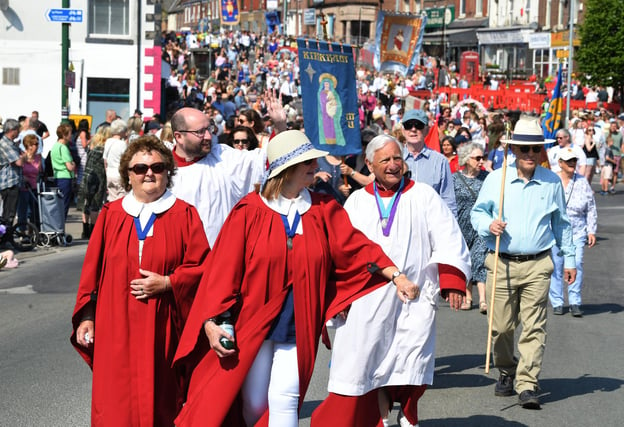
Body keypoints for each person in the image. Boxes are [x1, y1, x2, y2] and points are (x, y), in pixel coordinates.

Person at [172, 130, 418, 427]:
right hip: (253, 321)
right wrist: (211, 321)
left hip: (300, 318)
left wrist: (396, 276)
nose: (315, 166)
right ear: (287, 169)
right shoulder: (249, 211)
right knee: (254, 402)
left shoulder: (323, 209)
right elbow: (223, 272)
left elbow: (357, 246)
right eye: (307, 162)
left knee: (285, 397)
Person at [312, 134, 470, 427]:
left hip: (414, 296)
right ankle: (381, 417)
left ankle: (409, 413)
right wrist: (340, 298)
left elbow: (448, 236)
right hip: (367, 300)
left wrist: (451, 280)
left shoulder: (423, 196)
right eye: (386, 160)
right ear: (370, 165)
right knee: (371, 359)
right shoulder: (357, 202)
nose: (394, 165)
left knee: (411, 357)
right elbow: (341, 253)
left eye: (398, 158)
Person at [71, 136, 211, 427]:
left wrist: (170, 282)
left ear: (167, 172)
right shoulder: (111, 215)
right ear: (128, 175)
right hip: (114, 324)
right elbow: (91, 273)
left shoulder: (184, 214)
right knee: (115, 400)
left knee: (160, 397)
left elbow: (203, 268)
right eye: (140, 168)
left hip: (163, 325)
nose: (149, 173)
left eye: (158, 167)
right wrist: (87, 316)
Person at [471, 118, 576, 410]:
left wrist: (570, 258)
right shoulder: (496, 179)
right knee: (501, 327)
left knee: (534, 326)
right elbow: (477, 214)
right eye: (525, 148)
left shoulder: (552, 181)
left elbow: (562, 223)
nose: (530, 153)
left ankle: (528, 383)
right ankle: (507, 368)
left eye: (535, 148)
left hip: (538, 264)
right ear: (514, 149)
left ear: (541, 152)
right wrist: (488, 225)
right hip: (501, 263)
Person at [169, 107, 267, 247]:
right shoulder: (160, 171)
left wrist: (280, 125)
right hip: (182, 260)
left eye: (209, 128)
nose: (209, 136)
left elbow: (262, 161)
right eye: (200, 132)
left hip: (223, 257)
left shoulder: (222, 156)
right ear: (179, 137)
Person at [549, 148, 597, 317]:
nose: (572, 164)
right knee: (556, 266)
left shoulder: (582, 181)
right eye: (568, 161)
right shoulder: (552, 180)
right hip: (555, 231)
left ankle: (575, 301)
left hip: (577, 231)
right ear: (560, 162)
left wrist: (591, 230)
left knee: (576, 264)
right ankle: (557, 301)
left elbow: (591, 207)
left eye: (574, 160)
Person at [453, 142, 489, 313]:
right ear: (467, 159)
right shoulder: (454, 179)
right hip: (461, 225)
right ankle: (468, 296)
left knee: (479, 258)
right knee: (466, 260)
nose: (481, 161)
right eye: (477, 158)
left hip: (481, 225)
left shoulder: (487, 178)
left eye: (483, 157)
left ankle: (483, 300)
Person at [400, 109, 456, 217]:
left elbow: (448, 201)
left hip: (430, 225)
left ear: (426, 130)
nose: (413, 129)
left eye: (418, 125)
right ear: (403, 130)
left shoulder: (440, 161)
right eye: (408, 125)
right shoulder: (394, 158)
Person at [78, 128, 109, 238]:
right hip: (98, 178)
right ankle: (92, 230)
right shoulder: (103, 149)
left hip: (87, 176)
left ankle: (85, 230)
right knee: (95, 205)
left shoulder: (92, 146)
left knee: (86, 203)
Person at [0, 119, 26, 224]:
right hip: (9, 182)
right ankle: (6, 238)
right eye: (17, 130)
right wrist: (25, 156)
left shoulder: (10, 143)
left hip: (12, 181)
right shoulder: (6, 143)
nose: (19, 132)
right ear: (12, 130)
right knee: (9, 213)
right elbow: (19, 162)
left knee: (9, 212)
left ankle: (7, 236)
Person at [50, 123, 76, 219]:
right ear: (64, 135)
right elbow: (69, 166)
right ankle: (61, 227)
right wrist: (73, 164)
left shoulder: (55, 146)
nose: (71, 135)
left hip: (57, 176)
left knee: (59, 204)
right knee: (64, 205)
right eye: (70, 133)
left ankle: (58, 227)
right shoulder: (63, 148)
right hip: (65, 177)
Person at [17, 134, 41, 227]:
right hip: (24, 188)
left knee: (34, 213)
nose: (38, 145)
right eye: (36, 144)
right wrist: (23, 177)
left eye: (38, 143)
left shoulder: (38, 158)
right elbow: (19, 171)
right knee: (23, 211)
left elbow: (39, 173)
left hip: (34, 187)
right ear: (29, 145)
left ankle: (33, 232)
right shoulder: (22, 157)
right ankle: (22, 231)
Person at [103, 119, 129, 202]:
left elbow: (105, 160)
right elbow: (126, 160)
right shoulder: (122, 144)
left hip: (110, 174)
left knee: (112, 199)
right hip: (119, 174)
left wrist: (106, 172)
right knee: (121, 199)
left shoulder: (108, 141)